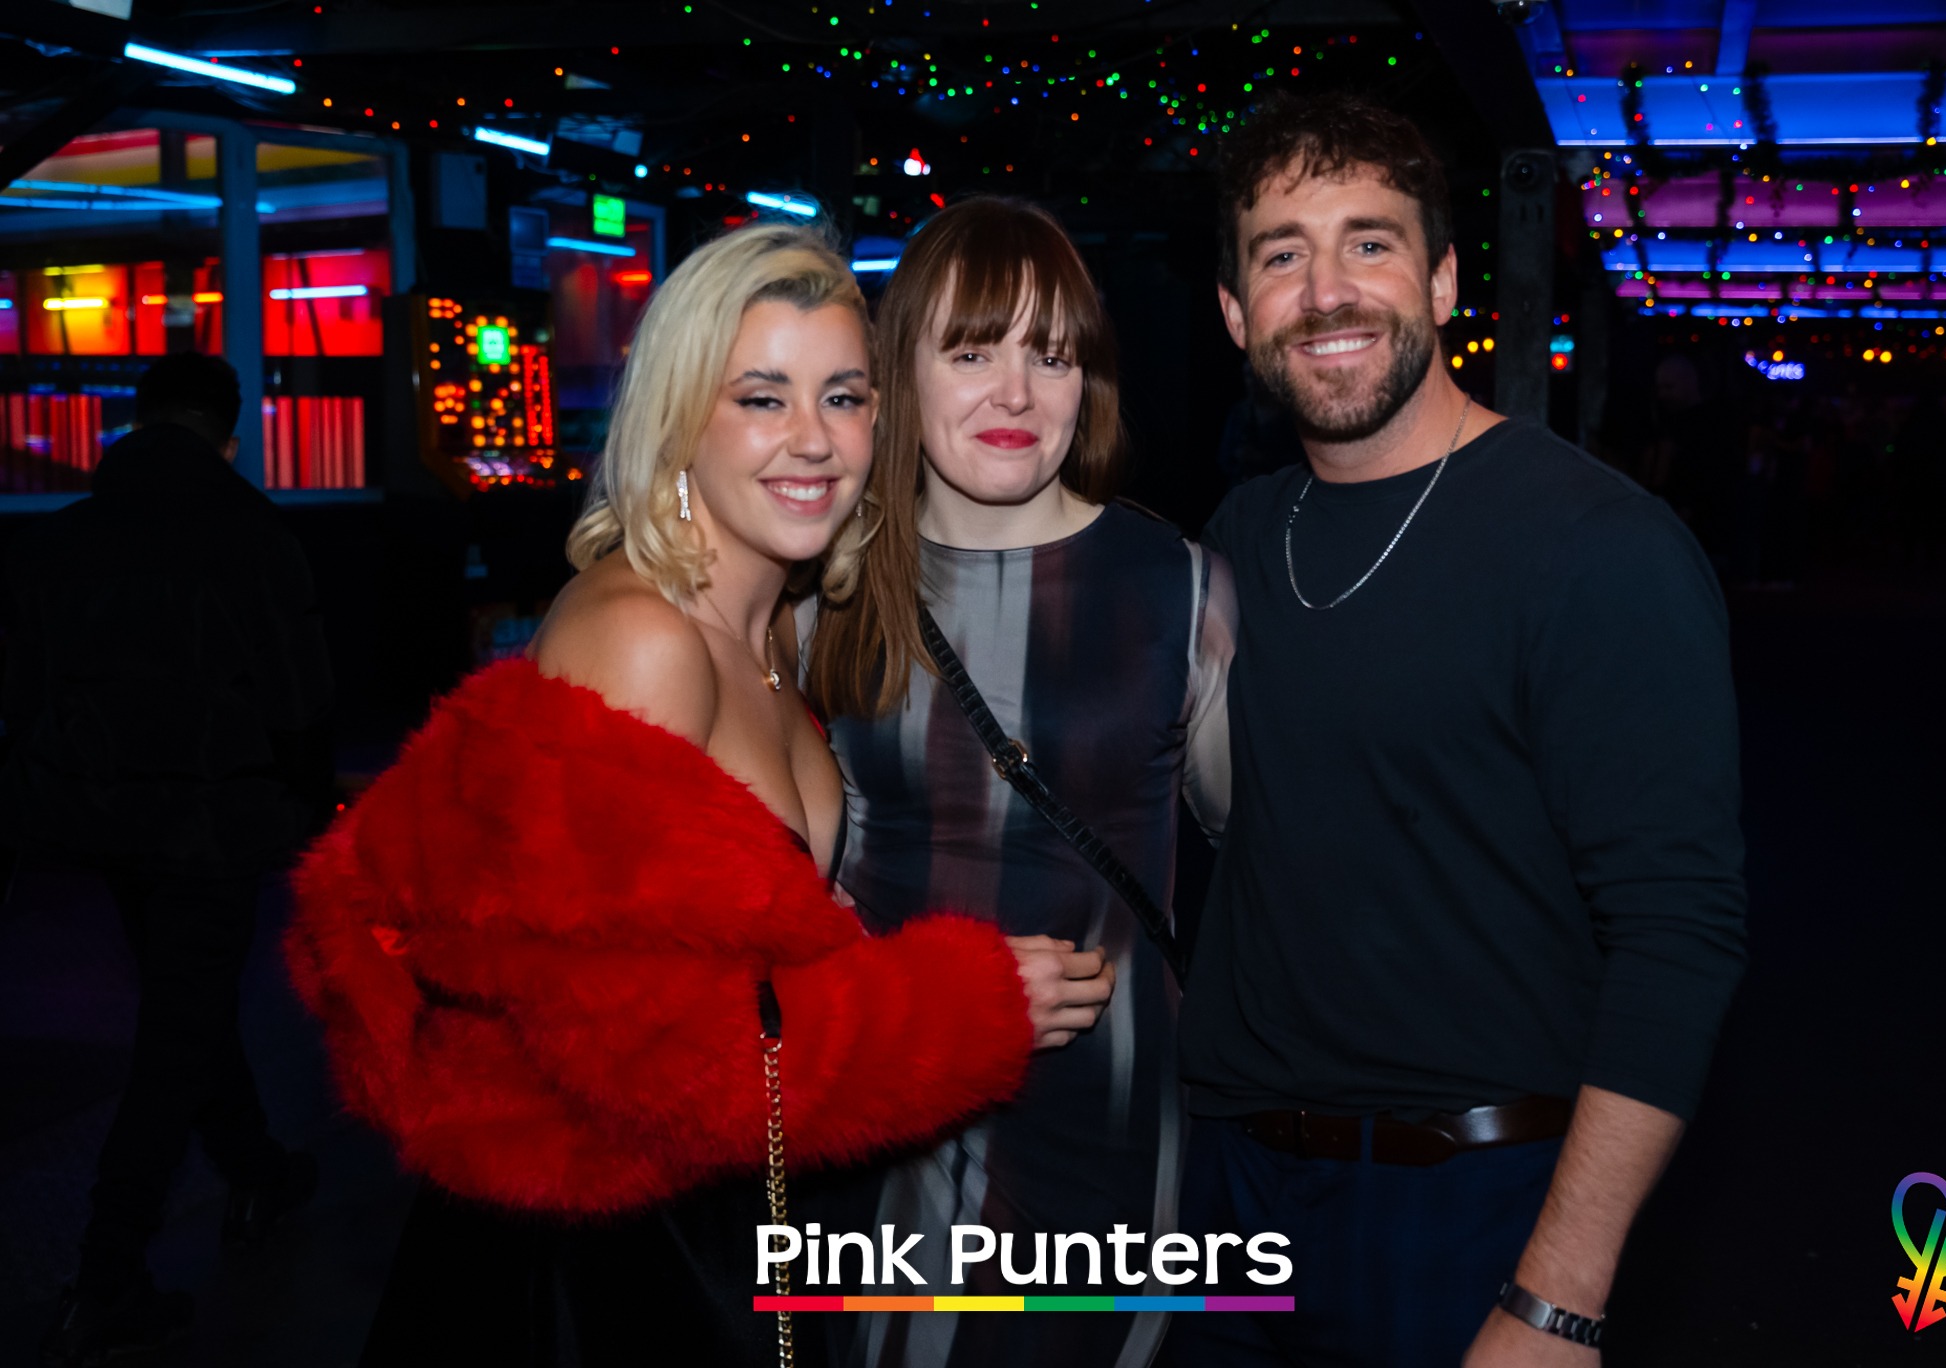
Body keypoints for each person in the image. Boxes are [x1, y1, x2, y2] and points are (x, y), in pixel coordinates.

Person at [286, 223, 1109, 1366]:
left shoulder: (773, 630)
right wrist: (969, 1006)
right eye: (761, 398)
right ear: (679, 421)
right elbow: (651, 1063)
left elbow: (710, 942)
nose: (813, 439)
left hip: (707, 1226)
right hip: (587, 1268)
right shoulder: (640, 639)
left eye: (842, 397)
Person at [1167, 92, 1747, 1367]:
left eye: (1368, 244)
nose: (1326, 292)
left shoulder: (1594, 549)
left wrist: (1557, 1293)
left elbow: (1676, 935)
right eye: (1281, 255)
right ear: (1234, 313)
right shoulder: (1238, 539)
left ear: (1439, 283)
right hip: (1231, 1196)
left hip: (1471, 1202)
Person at [805, 197, 1233, 1368]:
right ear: (899, 370)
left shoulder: (1179, 587)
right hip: (887, 1132)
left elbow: (1262, 854)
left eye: (1051, 355)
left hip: (1111, 1136)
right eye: (970, 351)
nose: (1015, 393)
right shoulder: (825, 583)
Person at [1, 353, 331, 1365]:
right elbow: (297, 695)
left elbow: (27, 687)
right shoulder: (254, 536)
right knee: (178, 1031)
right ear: (229, 435)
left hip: (102, 820)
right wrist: (309, 802)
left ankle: (254, 1166)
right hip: (215, 822)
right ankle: (107, 1273)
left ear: (138, 421)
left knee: (188, 1005)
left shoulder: (66, 536)